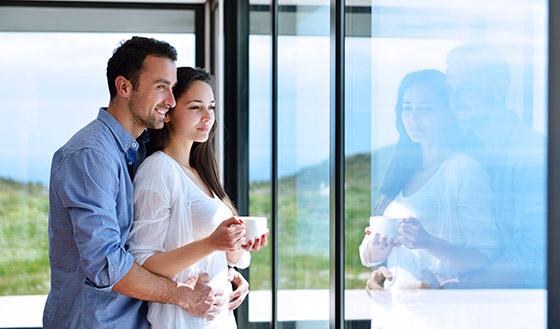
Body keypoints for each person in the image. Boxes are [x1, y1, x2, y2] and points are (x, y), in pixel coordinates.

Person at [44, 37, 229, 329]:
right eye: (161, 87)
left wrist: (223, 276)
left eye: (171, 88)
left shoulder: (136, 150)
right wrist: (181, 296)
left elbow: (160, 239)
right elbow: (106, 263)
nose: (170, 101)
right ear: (124, 87)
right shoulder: (91, 155)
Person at [127, 67, 268, 328]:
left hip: (218, 319)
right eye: (195, 107)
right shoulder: (158, 169)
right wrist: (213, 243)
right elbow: (143, 262)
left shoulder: (200, 172)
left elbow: (225, 257)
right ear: (168, 113)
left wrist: (236, 248)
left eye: (211, 107)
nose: (207, 117)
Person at [359, 69, 499, 297]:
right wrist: (378, 261)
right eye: (407, 108)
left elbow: (485, 258)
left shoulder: (463, 170)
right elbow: (377, 256)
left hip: (439, 311)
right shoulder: (401, 171)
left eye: (425, 108)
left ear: (449, 113)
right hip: (396, 309)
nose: (413, 118)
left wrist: (429, 242)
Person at [445, 43, 546, 288]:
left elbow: (532, 257)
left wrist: (460, 289)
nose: (455, 101)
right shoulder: (457, 154)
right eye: (450, 90)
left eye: (466, 89)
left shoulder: (531, 153)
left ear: (499, 87)